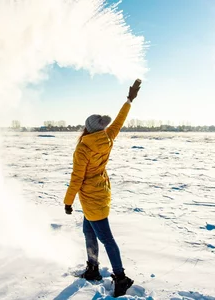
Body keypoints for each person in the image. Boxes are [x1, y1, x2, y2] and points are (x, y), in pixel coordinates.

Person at [63, 79, 141, 298]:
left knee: (106, 238)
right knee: (88, 232)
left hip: (92, 197)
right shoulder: (107, 136)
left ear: (87, 128)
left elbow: (76, 177)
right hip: (99, 192)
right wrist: (129, 100)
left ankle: (121, 278)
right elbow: (119, 121)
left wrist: (68, 201)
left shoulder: (83, 149)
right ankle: (93, 268)